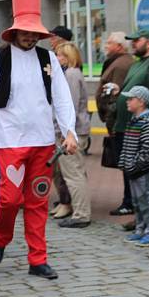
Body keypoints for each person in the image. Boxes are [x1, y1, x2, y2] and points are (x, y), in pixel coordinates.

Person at [0, 0, 77, 281]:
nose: (30, 36)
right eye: (25, 31)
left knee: (37, 200)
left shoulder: (48, 60)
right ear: (15, 30)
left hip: (42, 144)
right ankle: (2, 239)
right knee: (9, 199)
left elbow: (61, 97)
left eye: (34, 32)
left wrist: (68, 131)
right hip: (11, 144)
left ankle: (38, 259)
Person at [110, 29, 149, 233]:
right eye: (132, 40)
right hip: (131, 128)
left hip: (146, 129)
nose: (134, 43)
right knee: (136, 176)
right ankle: (143, 218)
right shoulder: (138, 63)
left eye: (138, 40)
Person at [53, 42, 92, 229]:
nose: (57, 58)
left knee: (73, 173)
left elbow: (71, 106)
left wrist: (65, 132)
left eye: (60, 55)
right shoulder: (72, 74)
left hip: (72, 132)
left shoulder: (70, 75)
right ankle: (79, 211)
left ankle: (81, 214)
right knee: (75, 172)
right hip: (75, 130)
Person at [119, 86, 149, 247]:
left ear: (141, 102)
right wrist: (126, 162)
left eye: (131, 99)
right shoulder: (134, 120)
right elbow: (128, 145)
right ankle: (141, 229)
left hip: (144, 169)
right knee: (138, 200)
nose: (127, 101)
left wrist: (135, 164)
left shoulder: (146, 122)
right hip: (134, 169)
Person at [95, 32, 133, 135]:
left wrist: (110, 118)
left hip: (116, 122)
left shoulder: (121, 65)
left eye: (109, 43)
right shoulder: (117, 61)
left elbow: (116, 97)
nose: (106, 46)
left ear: (119, 46)